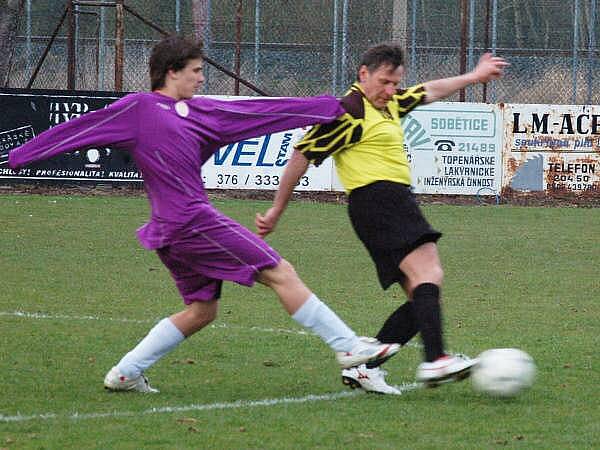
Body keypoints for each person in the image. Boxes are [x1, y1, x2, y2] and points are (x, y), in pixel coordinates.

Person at [5, 35, 400, 393]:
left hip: (171, 231)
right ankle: (347, 347)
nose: (201, 79)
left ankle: (125, 373)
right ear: (172, 71)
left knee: (201, 311)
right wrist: (18, 156)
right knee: (281, 272)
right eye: (195, 72)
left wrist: (328, 107)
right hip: (192, 223)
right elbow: (80, 129)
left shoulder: (200, 111)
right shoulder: (140, 108)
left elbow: (263, 113)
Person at [256, 43, 509, 395]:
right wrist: (277, 210)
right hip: (379, 200)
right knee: (429, 273)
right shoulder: (350, 110)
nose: (390, 90)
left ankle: (364, 367)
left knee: (423, 296)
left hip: (383, 205)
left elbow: (430, 90)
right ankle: (435, 359)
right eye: (385, 81)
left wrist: (476, 75)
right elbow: (302, 153)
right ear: (364, 74)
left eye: (395, 82)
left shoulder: (389, 102)